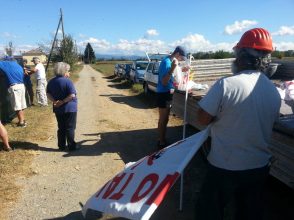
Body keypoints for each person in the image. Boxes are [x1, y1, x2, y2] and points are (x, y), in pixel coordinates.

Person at [194, 28, 281, 220]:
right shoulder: (273, 91)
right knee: (248, 213)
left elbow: (202, 118)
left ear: (241, 56)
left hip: (225, 165)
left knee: (209, 211)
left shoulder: (226, 85)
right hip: (258, 166)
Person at [156, 46, 187, 149]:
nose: (182, 60)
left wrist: (181, 69)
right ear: (177, 54)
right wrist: (173, 68)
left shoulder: (170, 61)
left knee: (165, 119)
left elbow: (171, 76)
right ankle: (161, 142)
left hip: (167, 93)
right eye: (182, 57)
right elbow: (164, 82)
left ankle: (162, 139)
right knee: (163, 119)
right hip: (163, 94)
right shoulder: (167, 62)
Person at [46, 62, 78, 151]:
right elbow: (72, 95)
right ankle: (72, 146)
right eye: (68, 71)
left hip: (58, 108)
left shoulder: (51, 81)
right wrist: (63, 101)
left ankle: (61, 146)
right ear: (64, 71)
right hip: (70, 108)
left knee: (61, 127)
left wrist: (55, 101)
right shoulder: (68, 81)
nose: (69, 72)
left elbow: (48, 93)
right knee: (70, 127)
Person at [0, 57, 27, 127]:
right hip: (21, 86)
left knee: (17, 105)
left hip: (14, 87)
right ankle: (23, 120)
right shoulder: (17, 65)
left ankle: (21, 123)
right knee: (21, 105)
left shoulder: (5, 64)